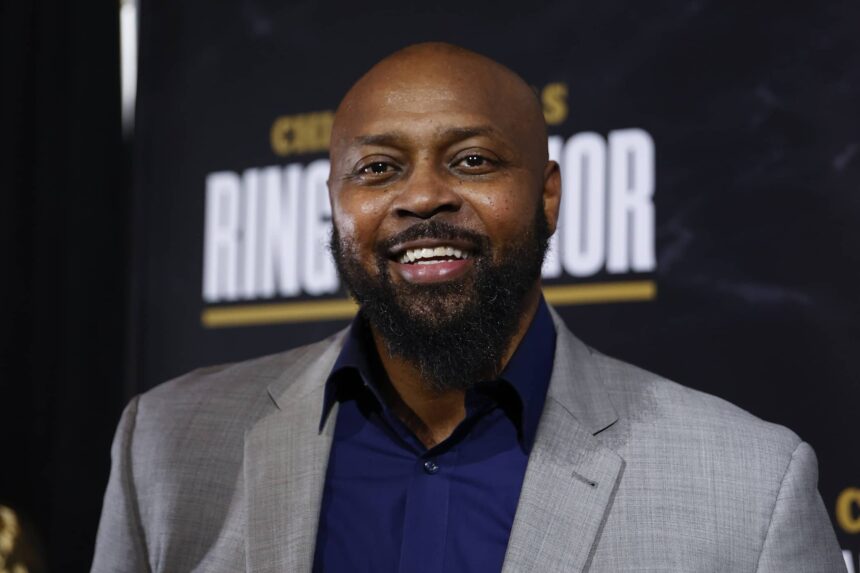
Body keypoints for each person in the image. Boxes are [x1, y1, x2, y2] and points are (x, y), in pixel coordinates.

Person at [91, 43, 845, 572]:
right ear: (335, 202)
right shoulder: (164, 447)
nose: (421, 197)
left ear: (547, 193)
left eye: (473, 160)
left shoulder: (749, 485)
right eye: (378, 168)